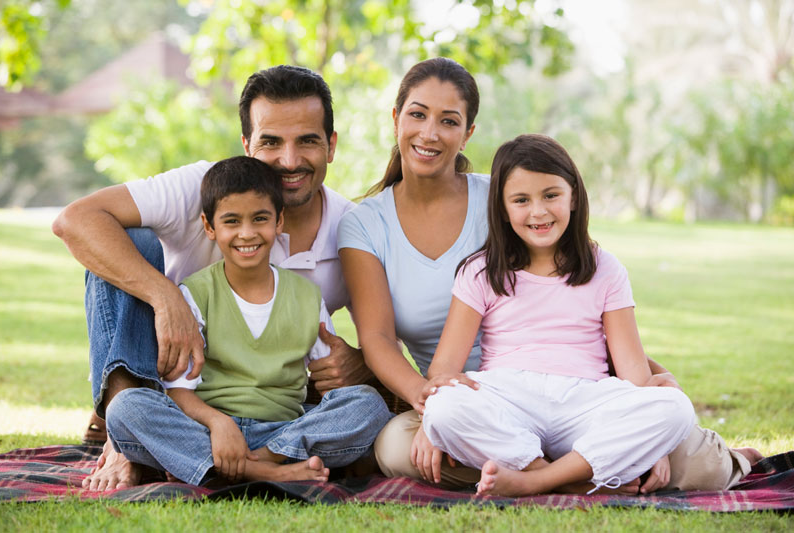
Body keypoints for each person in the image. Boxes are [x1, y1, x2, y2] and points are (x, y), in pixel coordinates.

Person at [338, 58, 758, 492]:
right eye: (418, 114)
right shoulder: (377, 227)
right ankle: (565, 475)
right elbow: (387, 344)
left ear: (468, 133)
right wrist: (431, 409)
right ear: (395, 118)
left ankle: (556, 475)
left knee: (675, 424)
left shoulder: (504, 197)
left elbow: (589, 319)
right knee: (398, 449)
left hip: (583, 397)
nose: (430, 132)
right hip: (488, 402)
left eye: (449, 120)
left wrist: (656, 381)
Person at [53, 65, 375, 491]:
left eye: (308, 141)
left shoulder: (353, 230)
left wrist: (361, 363)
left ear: (331, 146)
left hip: (274, 413)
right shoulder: (203, 186)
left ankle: (250, 460)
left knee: (365, 407)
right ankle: (121, 439)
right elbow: (76, 220)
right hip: (174, 388)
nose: (290, 161)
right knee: (125, 240)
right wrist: (166, 297)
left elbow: (385, 339)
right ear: (246, 144)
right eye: (271, 142)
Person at [419, 134, 699, 496]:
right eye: (521, 200)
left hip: (585, 400)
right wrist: (433, 421)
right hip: (508, 396)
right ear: (503, 210)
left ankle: (534, 482)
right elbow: (442, 371)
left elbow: (633, 374)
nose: (538, 212)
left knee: (674, 407)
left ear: (574, 196)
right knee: (444, 407)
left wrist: (651, 445)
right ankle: (569, 479)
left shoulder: (606, 269)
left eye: (551, 195)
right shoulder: (480, 271)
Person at [105, 156, 390, 485]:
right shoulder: (195, 295)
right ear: (210, 227)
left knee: (367, 404)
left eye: (260, 219)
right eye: (231, 221)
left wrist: (283, 443)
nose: (247, 233)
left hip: (285, 432)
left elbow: (334, 386)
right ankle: (261, 472)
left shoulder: (308, 298)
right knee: (126, 407)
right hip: (209, 431)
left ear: (278, 221)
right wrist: (218, 424)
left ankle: (258, 461)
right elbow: (178, 392)